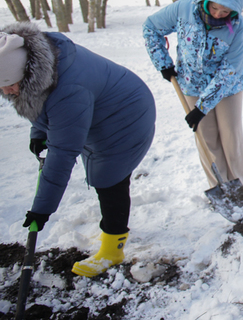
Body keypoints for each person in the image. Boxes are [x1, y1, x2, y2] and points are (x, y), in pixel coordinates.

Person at [0, 22, 156, 278]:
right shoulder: (39, 63)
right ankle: (111, 232)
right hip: (100, 108)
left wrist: (43, 208)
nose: (6, 92)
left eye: (9, 84)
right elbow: (39, 101)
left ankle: (112, 248)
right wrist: (39, 133)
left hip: (126, 116)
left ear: (25, 73)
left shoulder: (69, 89)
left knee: (109, 177)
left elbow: (62, 152)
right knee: (104, 173)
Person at [143, 0, 243, 194]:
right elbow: (151, 27)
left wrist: (202, 107)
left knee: (230, 137)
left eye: (225, 11)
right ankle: (218, 186)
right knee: (206, 138)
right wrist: (163, 62)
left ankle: (239, 185)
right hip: (191, 84)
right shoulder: (184, 9)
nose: (218, 14)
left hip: (227, 88)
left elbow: (229, 70)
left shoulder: (237, 27)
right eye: (214, 8)